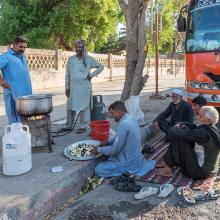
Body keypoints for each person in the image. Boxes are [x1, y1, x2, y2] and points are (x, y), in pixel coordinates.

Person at [92, 101, 155, 178]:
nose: (112, 116)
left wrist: (98, 149)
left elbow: (114, 150)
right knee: (110, 156)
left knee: (99, 169)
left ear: (118, 112)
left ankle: (125, 172)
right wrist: (108, 142)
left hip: (129, 163)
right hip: (136, 159)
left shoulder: (124, 124)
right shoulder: (130, 118)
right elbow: (119, 137)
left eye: (112, 113)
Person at [157, 106, 220, 180]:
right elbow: (193, 126)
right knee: (182, 133)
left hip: (200, 171)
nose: (197, 117)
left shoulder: (203, 133)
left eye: (200, 116)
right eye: (198, 114)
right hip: (208, 169)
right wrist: (182, 124)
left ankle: (167, 168)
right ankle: (167, 162)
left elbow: (172, 132)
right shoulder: (212, 128)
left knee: (178, 137)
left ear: (208, 120)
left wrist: (177, 127)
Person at [64, 39, 104, 134]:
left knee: (84, 106)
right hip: (73, 88)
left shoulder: (88, 59)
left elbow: (101, 67)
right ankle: (69, 125)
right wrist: (67, 87)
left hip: (84, 87)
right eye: (76, 47)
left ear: (84, 48)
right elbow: (67, 74)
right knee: (70, 106)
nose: (78, 49)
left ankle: (84, 125)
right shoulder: (71, 59)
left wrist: (91, 75)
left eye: (80, 47)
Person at [0, 36, 32, 124]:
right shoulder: (6, 56)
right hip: (13, 93)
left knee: (25, 118)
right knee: (14, 119)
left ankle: (24, 136)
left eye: (24, 47)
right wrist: (2, 81)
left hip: (26, 93)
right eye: (20, 47)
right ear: (14, 45)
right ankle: (15, 136)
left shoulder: (22, 56)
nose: (23, 49)